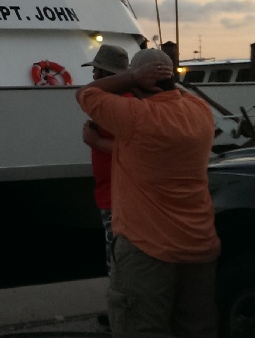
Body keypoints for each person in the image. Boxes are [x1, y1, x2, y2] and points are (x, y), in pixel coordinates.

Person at [76, 49, 220, 338]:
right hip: (199, 246)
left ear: (138, 81)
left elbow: (85, 95)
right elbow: (179, 93)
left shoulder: (136, 117)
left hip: (147, 249)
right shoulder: (201, 112)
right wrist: (155, 79)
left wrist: (130, 78)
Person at [79, 44, 130, 266]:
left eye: (96, 70)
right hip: (111, 194)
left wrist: (96, 141)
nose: (93, 74)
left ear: (106, 74)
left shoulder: (120, 103)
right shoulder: (119, 100)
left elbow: (135, 148)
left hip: (117, 197)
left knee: (118, 260)